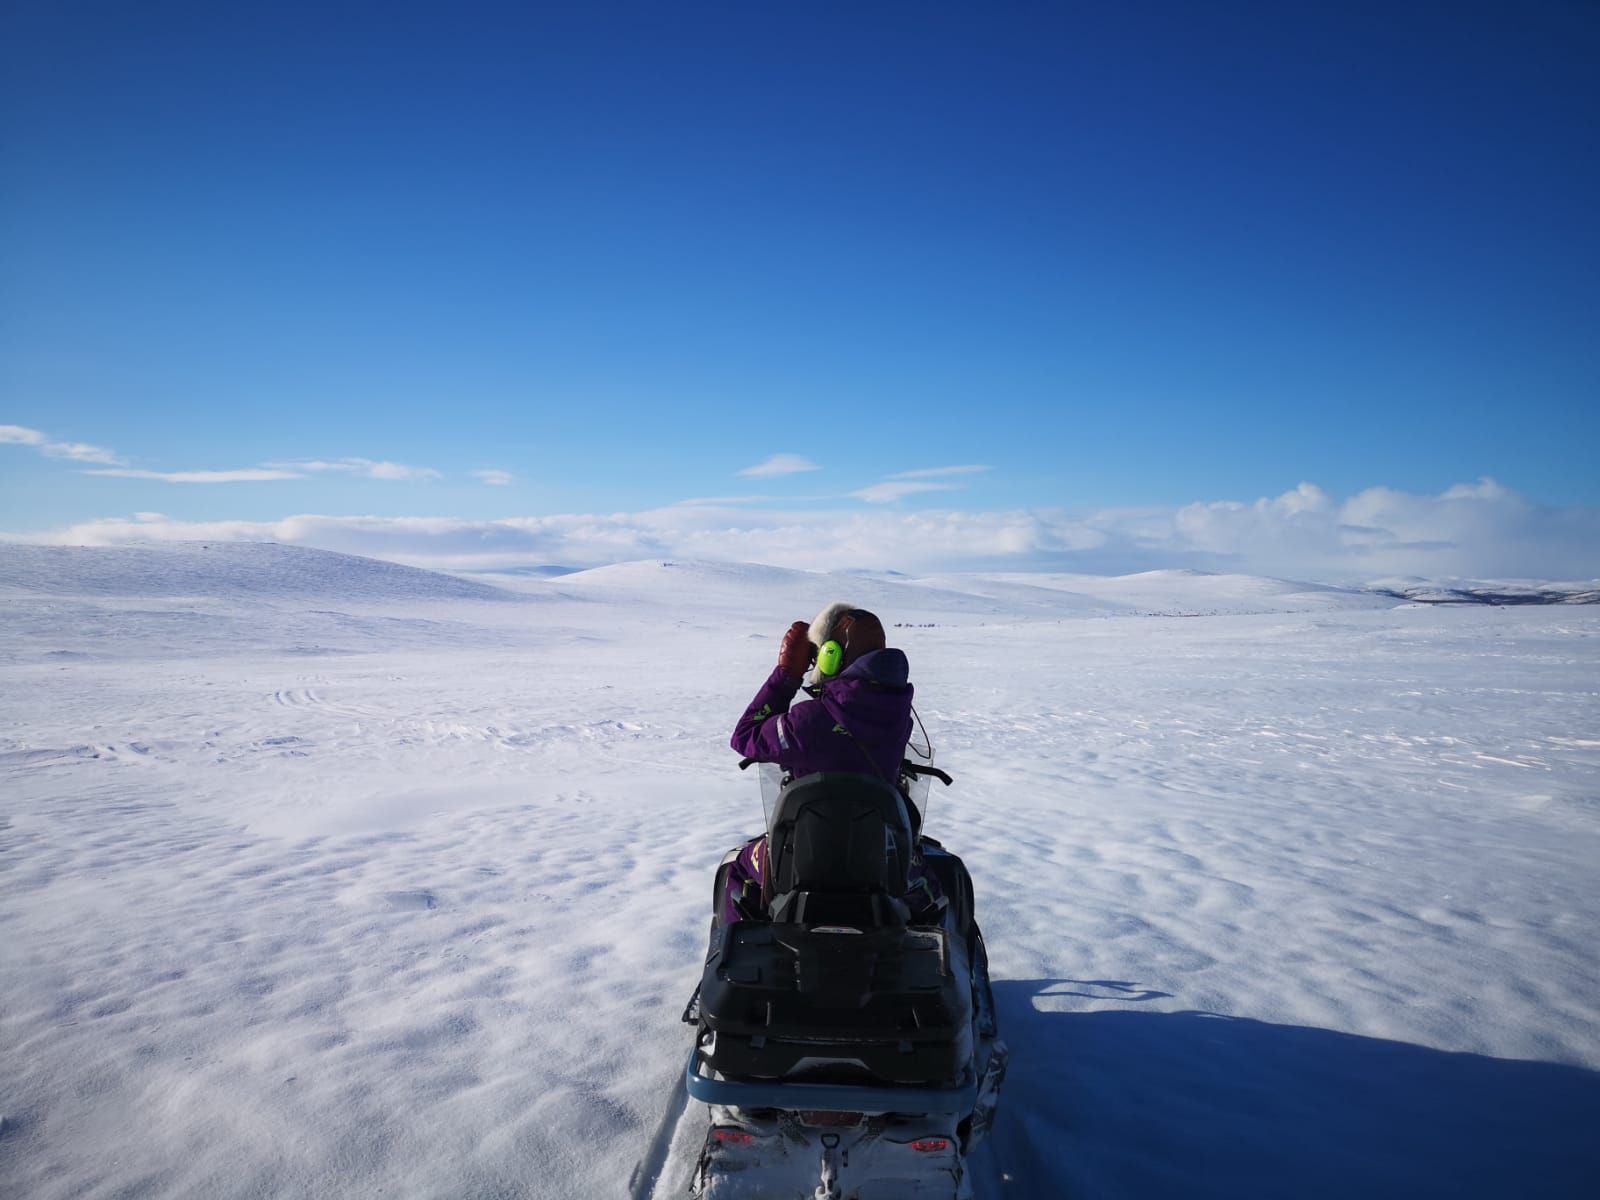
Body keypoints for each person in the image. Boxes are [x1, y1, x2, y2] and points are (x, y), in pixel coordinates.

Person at [721, 602, 942, 924]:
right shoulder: (898, 718)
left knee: (739, 867)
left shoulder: (806, 722)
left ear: (831, 656)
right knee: (932, 891)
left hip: (804, 856)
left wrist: (786, 676)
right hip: (882, 854)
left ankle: (741, 952)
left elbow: (745, 736)